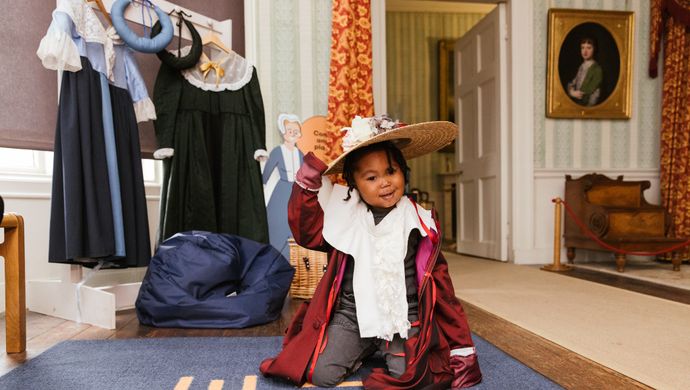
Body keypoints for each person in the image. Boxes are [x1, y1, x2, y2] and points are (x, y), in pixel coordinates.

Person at [260, 116, 482, 389]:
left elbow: (443, 289)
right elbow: (308, 233)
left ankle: (386, 346)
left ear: (404, 172)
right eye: (371, 177)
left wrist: (461, 346)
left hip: (403, 317)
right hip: (351, 315)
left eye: (391, 172)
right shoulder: (344, 217)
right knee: (320, 375)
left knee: (409, 377)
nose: (385, 183)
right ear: (353, 184)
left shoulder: (419, 223)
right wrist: (308, 183)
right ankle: (363, 347)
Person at [260, 113, 305, 259]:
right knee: (278, 222)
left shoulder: (301, 154)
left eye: (295, 131)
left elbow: (306, 176)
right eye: (289, 130)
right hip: (282, 191)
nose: (292, 133)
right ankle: (277, 258)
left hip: (297, 191)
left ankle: (294, 260)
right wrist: (262, 163)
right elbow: (266, 175)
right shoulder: (277, 151)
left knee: (297, 224)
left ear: (300, 134)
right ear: (283, 132)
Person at [567, 37, 602, 106]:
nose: (585, 51)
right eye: (582, 48)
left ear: (594, 49)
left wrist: (574, 93)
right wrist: (571, 92)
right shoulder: (581, 66)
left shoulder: (597, 70)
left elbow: (586, 94)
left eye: (589, 48)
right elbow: (572, 83)